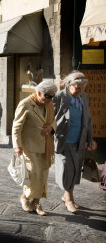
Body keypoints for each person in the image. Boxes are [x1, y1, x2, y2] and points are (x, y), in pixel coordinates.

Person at [12, 81, 57, 216]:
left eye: (52, 96)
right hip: (29, 146)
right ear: (38, 93)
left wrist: (51, 127)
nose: (49, 99)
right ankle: (25, 197)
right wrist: (17, 146)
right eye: (47, 96)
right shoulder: (25, 104)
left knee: (43, 175)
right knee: (34, 175)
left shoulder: (49, 105)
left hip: (45, 146)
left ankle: (36, 202)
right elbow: (16, 127)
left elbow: (54, 120)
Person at [53, 71, 92, 214]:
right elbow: (50, 116)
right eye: (77, 88)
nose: (80, 91)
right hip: (64, 139)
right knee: (66, 168)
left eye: (83, 88)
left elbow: (88, 119)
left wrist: (90, 138)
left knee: (75, 169)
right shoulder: (59, 97)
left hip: (79, 139)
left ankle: (67, 196)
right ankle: (68, 198)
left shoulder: (84, 97)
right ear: (69, 85)